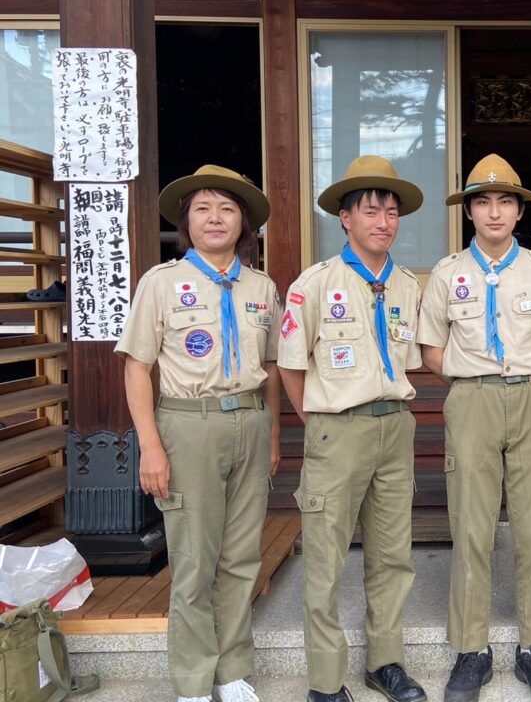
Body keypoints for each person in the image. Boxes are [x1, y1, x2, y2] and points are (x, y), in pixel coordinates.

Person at [116, 165, 282, 702]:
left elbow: (272, 368)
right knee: (192, 558)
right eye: (203, 208)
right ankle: (192, 679)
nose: (215, 218)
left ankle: (231, 670)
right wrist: (150, 446)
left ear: (244, 224)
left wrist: (272, 436)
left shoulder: (262, 287)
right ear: (186, 221)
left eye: (227, 209)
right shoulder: (161, 283)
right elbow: (137, 367)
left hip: (250, 421)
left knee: (241, 557)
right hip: (188, 424)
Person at [277, 155, 427, 702]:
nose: (383, 222)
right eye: (370, 210)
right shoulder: (315, 283)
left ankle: (385, 663)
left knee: (392, 555)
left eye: (392, 212)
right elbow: (291, 365)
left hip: (395, 429)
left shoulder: (407, 285)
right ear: (345, 218)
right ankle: (325, 680)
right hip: (337, 430)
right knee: (325, 559)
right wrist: (320, 421)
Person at [418, 154, 531, 702]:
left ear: (519, 211)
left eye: (506, 201)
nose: (495, 211)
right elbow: (431, 348)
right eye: (483, 202)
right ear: (470, 211)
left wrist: (520, 373)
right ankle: (471, 649)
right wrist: (473, 375)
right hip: (473, 399)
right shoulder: (447, 273)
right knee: (472, 526)